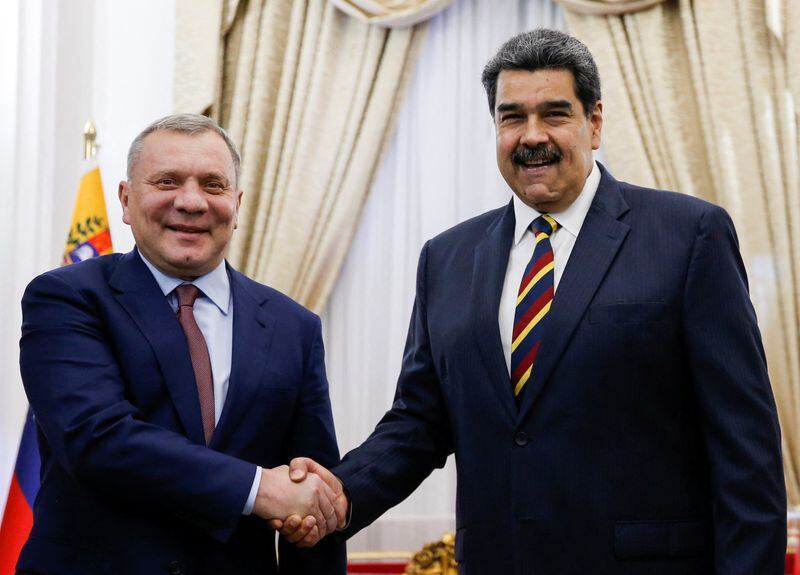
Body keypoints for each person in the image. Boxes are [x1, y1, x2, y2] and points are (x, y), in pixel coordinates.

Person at [277, 29, 787, 574]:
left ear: (594, 122)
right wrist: (340, 494)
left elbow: (745, 449)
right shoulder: (446, 259)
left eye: (555, 114)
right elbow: (419, 421)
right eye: (512, 117)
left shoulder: (688, 235)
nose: (532, 135)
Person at [17, 114, 347, 575]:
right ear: (126, 200)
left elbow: (310, 492)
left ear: (237, 204)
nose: (191, 202)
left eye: (213, 185)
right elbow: (97, 438)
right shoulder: (66, 298)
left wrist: (307, 507)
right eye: (167, 181)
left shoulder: (294, 326)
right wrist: (259, 489)